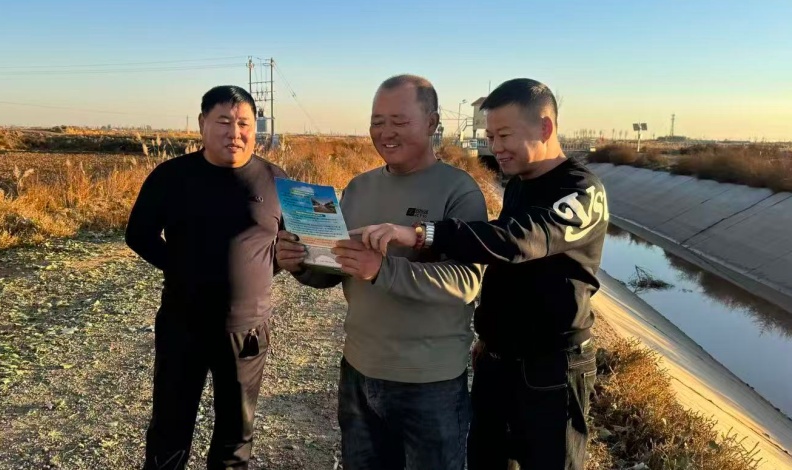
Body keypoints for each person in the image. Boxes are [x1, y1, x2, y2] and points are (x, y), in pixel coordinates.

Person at [351, 78, 609, 470]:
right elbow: (502, 264)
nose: (495, 147)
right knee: (484, 459)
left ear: (545, 127)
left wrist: (423, 233)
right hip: (498, 358)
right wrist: (489, 335)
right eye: (490, 136)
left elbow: (517, 242)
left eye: (504, 135)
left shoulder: (581, 191)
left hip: (552, 365)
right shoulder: (520, 183)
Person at [275, 74, 488, 470]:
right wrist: (299, 262)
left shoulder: (459, 191)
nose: (386, 132)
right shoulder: (358, 188)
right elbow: (337, 267)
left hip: (430, 383)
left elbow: (465, 282)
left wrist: (382, 270)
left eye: (399, 121)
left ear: (432, 123)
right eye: (377, 121)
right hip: (358, 371)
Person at [125, 85, 287, 470]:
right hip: (183, 323)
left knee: (236, 432)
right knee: (169, 427)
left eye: (244, 123)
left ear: (255, 127)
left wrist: (263, 269)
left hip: (247, 331)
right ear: (202, 124)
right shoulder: (172, 176)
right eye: (224, 122)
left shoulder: (276, 180)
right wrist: (181, 267)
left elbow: (291, 245)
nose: (235, 132)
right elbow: (139, 234)